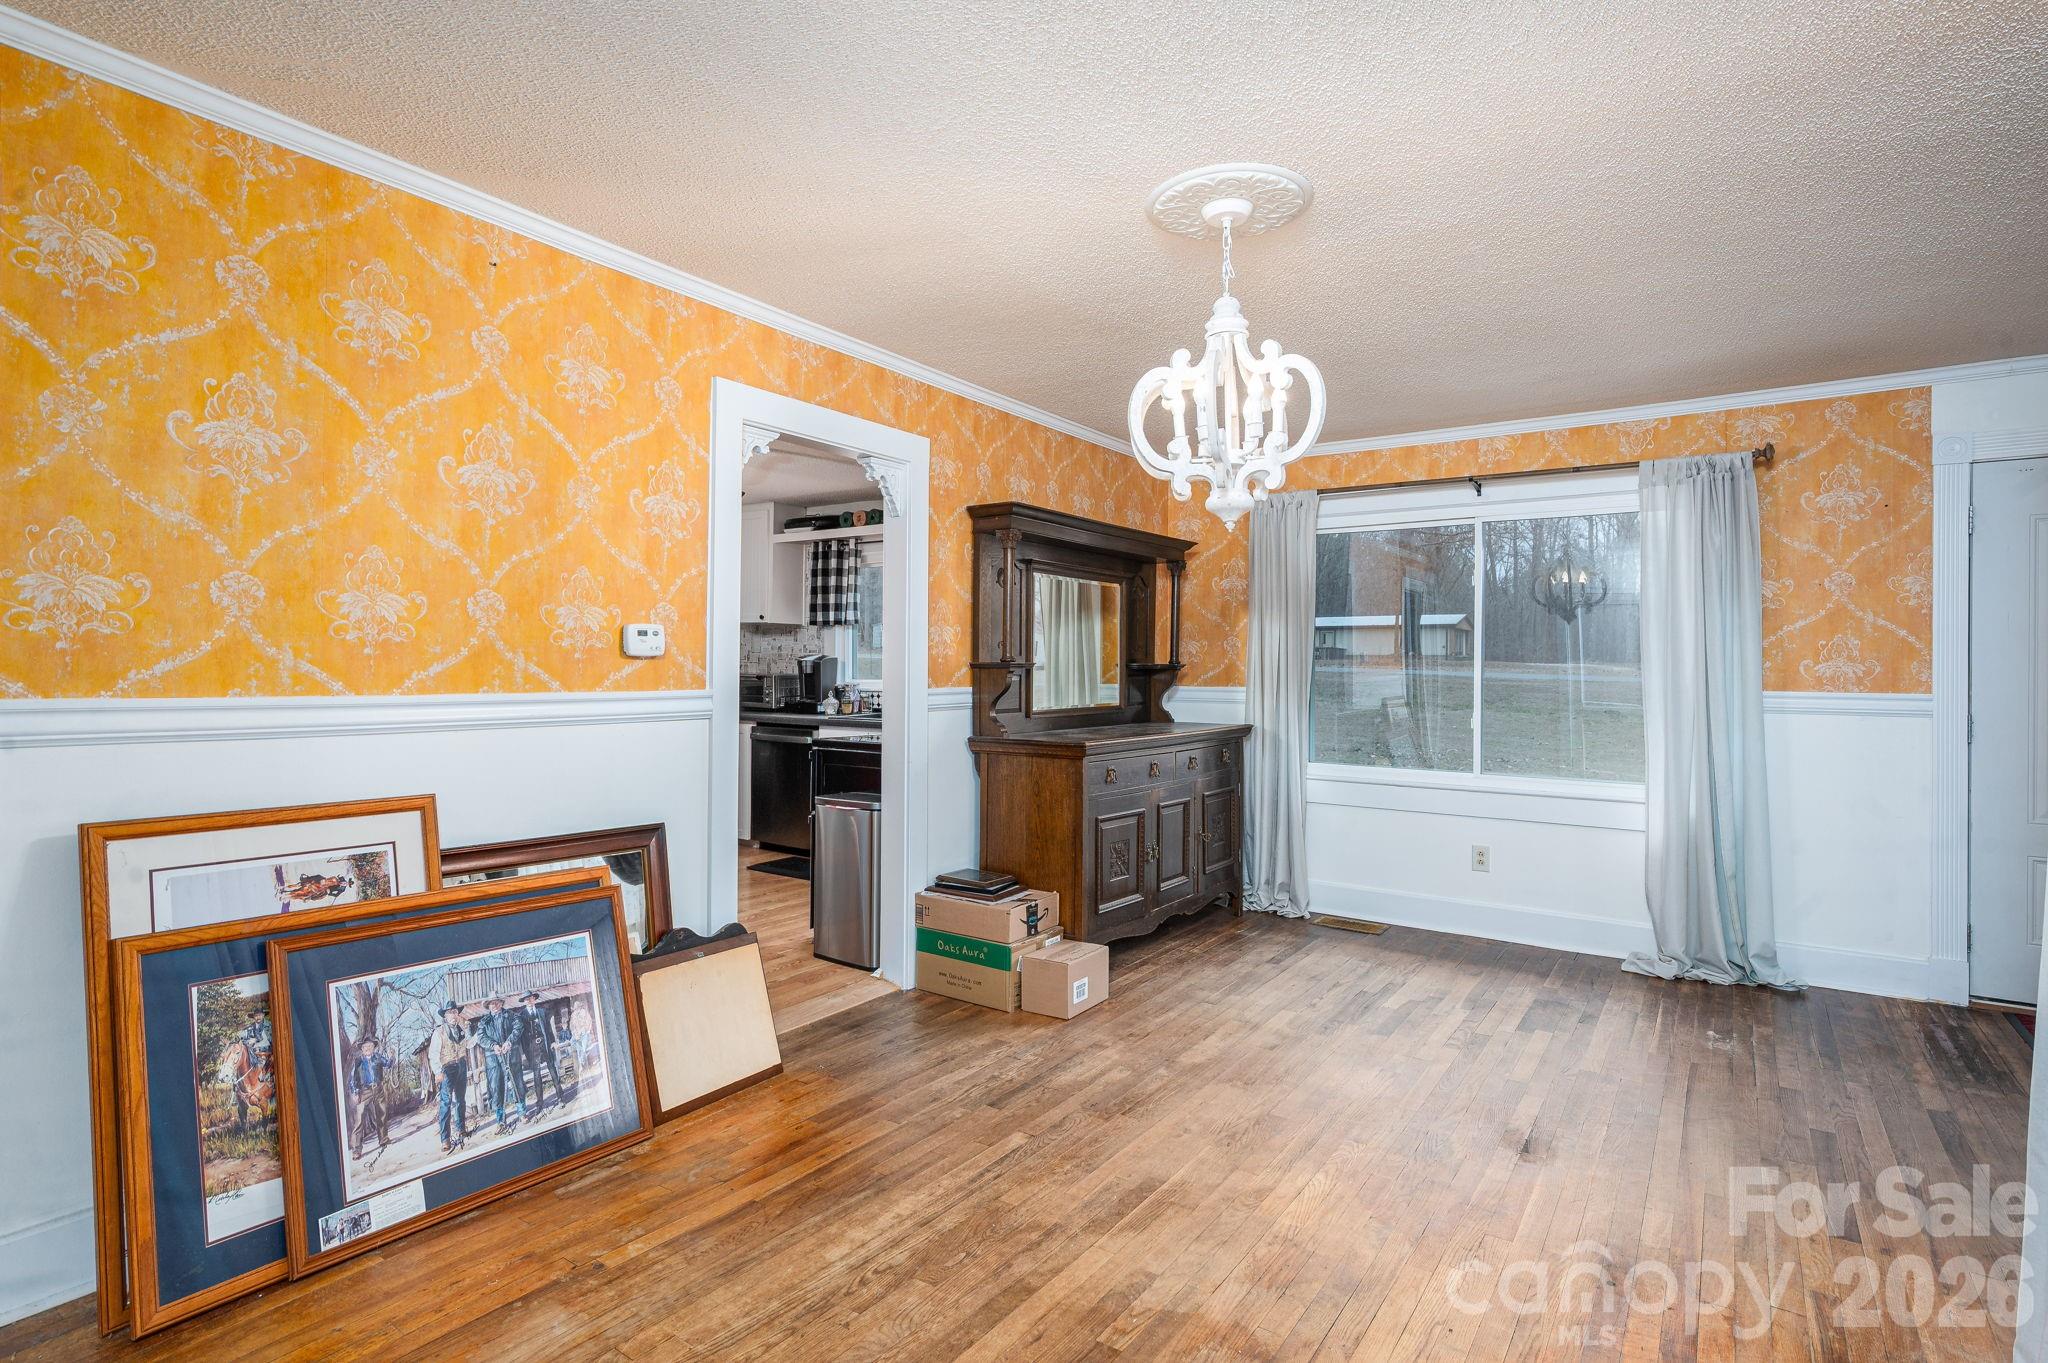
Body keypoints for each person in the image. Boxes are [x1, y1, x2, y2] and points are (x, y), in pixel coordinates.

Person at [476, 996, 529, 1132]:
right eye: (491, 1004)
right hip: (494, 1060)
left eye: (496, 1002)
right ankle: (500, 1120)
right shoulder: (484, 1022)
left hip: (511, 1056)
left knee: (517, 1084)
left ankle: (522, 1113)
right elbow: (481, 1037)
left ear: (501, 1003)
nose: (494, 1005)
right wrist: (493, 1045)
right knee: (496, 1089)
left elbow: (518, 1027)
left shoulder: (511, 1016)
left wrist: (509, 1041)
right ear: (488, 1006)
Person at [345, 1036, 395, 1160]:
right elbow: (352, 1078)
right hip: (364, 1090)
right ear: (362, 1048)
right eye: (365, 1046)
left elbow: (388, 1065)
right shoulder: (358, 1061)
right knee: (360, 1118)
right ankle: (357, 1149)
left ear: (373, 1048)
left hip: (378, 1088)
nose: (368, 1048)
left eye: (370, 1046)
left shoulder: (378, 1057)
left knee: (382, 1113)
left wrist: (392, 1056)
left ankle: (383, 1139)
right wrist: (356, 1092)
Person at [514, 990, 564, 1112]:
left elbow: (548, 1028)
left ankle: (560, 1097)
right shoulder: (521, 1016)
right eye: (527, 999)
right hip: (532, 1049)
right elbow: (521, 1036)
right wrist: (524, 1053)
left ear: (534, 999)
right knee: (537, 1076)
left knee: (553, 1070)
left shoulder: (542, 1012)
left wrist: (552, 1041)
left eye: (531, 998)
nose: (529, 1001)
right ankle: (540, 1103)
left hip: (545, 1045)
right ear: (524, 1002)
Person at [431, 1001, 470, 1153]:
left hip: (461, 1065)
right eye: (450, 1013)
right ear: (445, 1016)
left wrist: (472, 1031)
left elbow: (469, 1045)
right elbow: (433, 1054)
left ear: (457, 1014)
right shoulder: (439, 1032)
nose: (453, 1015)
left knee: (461, 1099)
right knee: (446, 1103)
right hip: (447, 1068)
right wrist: (437, 1072)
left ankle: (461, 1129)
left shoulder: (461, 1029)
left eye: (455, 1012)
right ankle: (445, 1139)